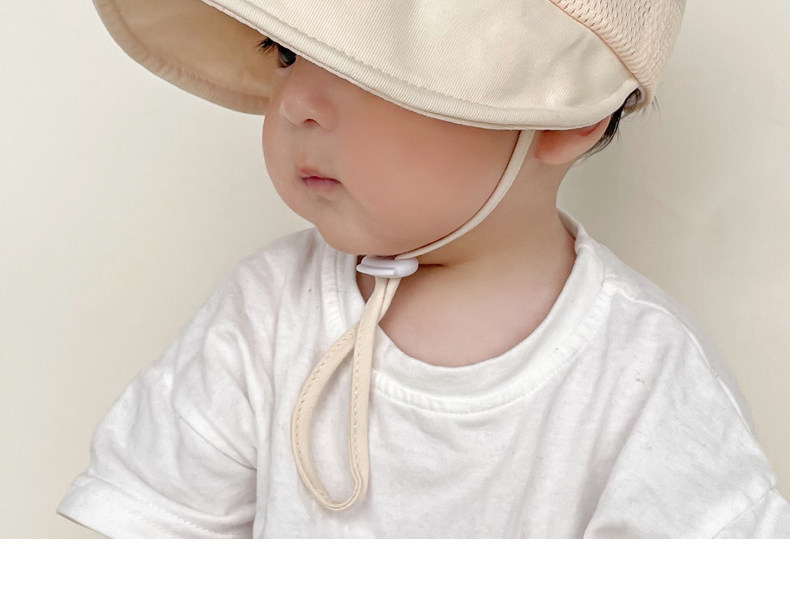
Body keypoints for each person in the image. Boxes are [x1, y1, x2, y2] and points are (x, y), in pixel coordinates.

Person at [57, 0, 790, 537]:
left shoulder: (643, 371)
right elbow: (158, 540)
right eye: (286, 52)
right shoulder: (265, 313)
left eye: (372, 67)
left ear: (564, 116)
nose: (297, 103)